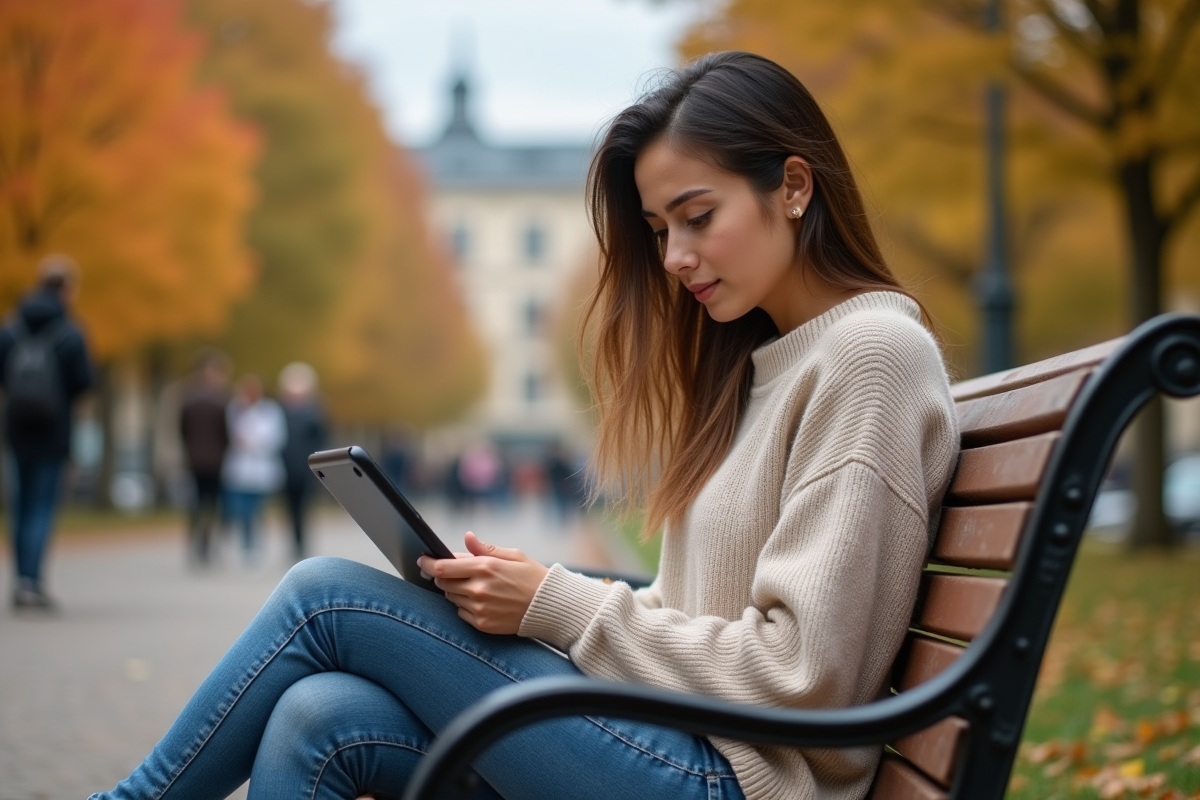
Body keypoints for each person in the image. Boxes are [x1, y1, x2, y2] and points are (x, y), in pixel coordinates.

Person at [90, 52, 959, 800]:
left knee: (326, 595)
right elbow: (696, 614)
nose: (675, 258)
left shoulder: (869, 357)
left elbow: (804, 674)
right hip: (689, 742)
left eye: (698, 218)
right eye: (660, 229)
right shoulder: (771, 362)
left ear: (794, 186)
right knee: (318, 714)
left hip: (737, 778)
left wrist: (557, 604)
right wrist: (531, 591)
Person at [0, 254, 94, 610]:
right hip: (53, 432)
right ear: (67, 289)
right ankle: (32, 582)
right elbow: (84, 381)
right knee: (41, 506)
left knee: (19, 506)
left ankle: (19, 578)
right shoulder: (70, 332)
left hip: (16, 429)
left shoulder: (11, 327)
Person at [221, 374, 286, 565]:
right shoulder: (235, 409)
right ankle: (246, 545)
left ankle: (255, 546)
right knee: (241, 510)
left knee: (257, 510)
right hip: (239, 470)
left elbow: (277, 438)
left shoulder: (271, 410)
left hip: (262, 469)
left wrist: (254, 443)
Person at [178, 351, 232, 566]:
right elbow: (225, 433)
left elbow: (182, 430)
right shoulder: (221, 400)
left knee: (196, 502)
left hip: (194, 459)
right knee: (211, 503)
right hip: (215, 461)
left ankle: (195, 542)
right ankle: (205, 544)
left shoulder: (188, 398)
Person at [277, 362, 327, 561]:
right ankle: (294, 544)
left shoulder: (315, 412)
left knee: (304, 508)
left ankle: (301, 545)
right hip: (285, 467)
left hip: (306, 468)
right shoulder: (280, 411)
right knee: (289, 509)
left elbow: (322, 438)